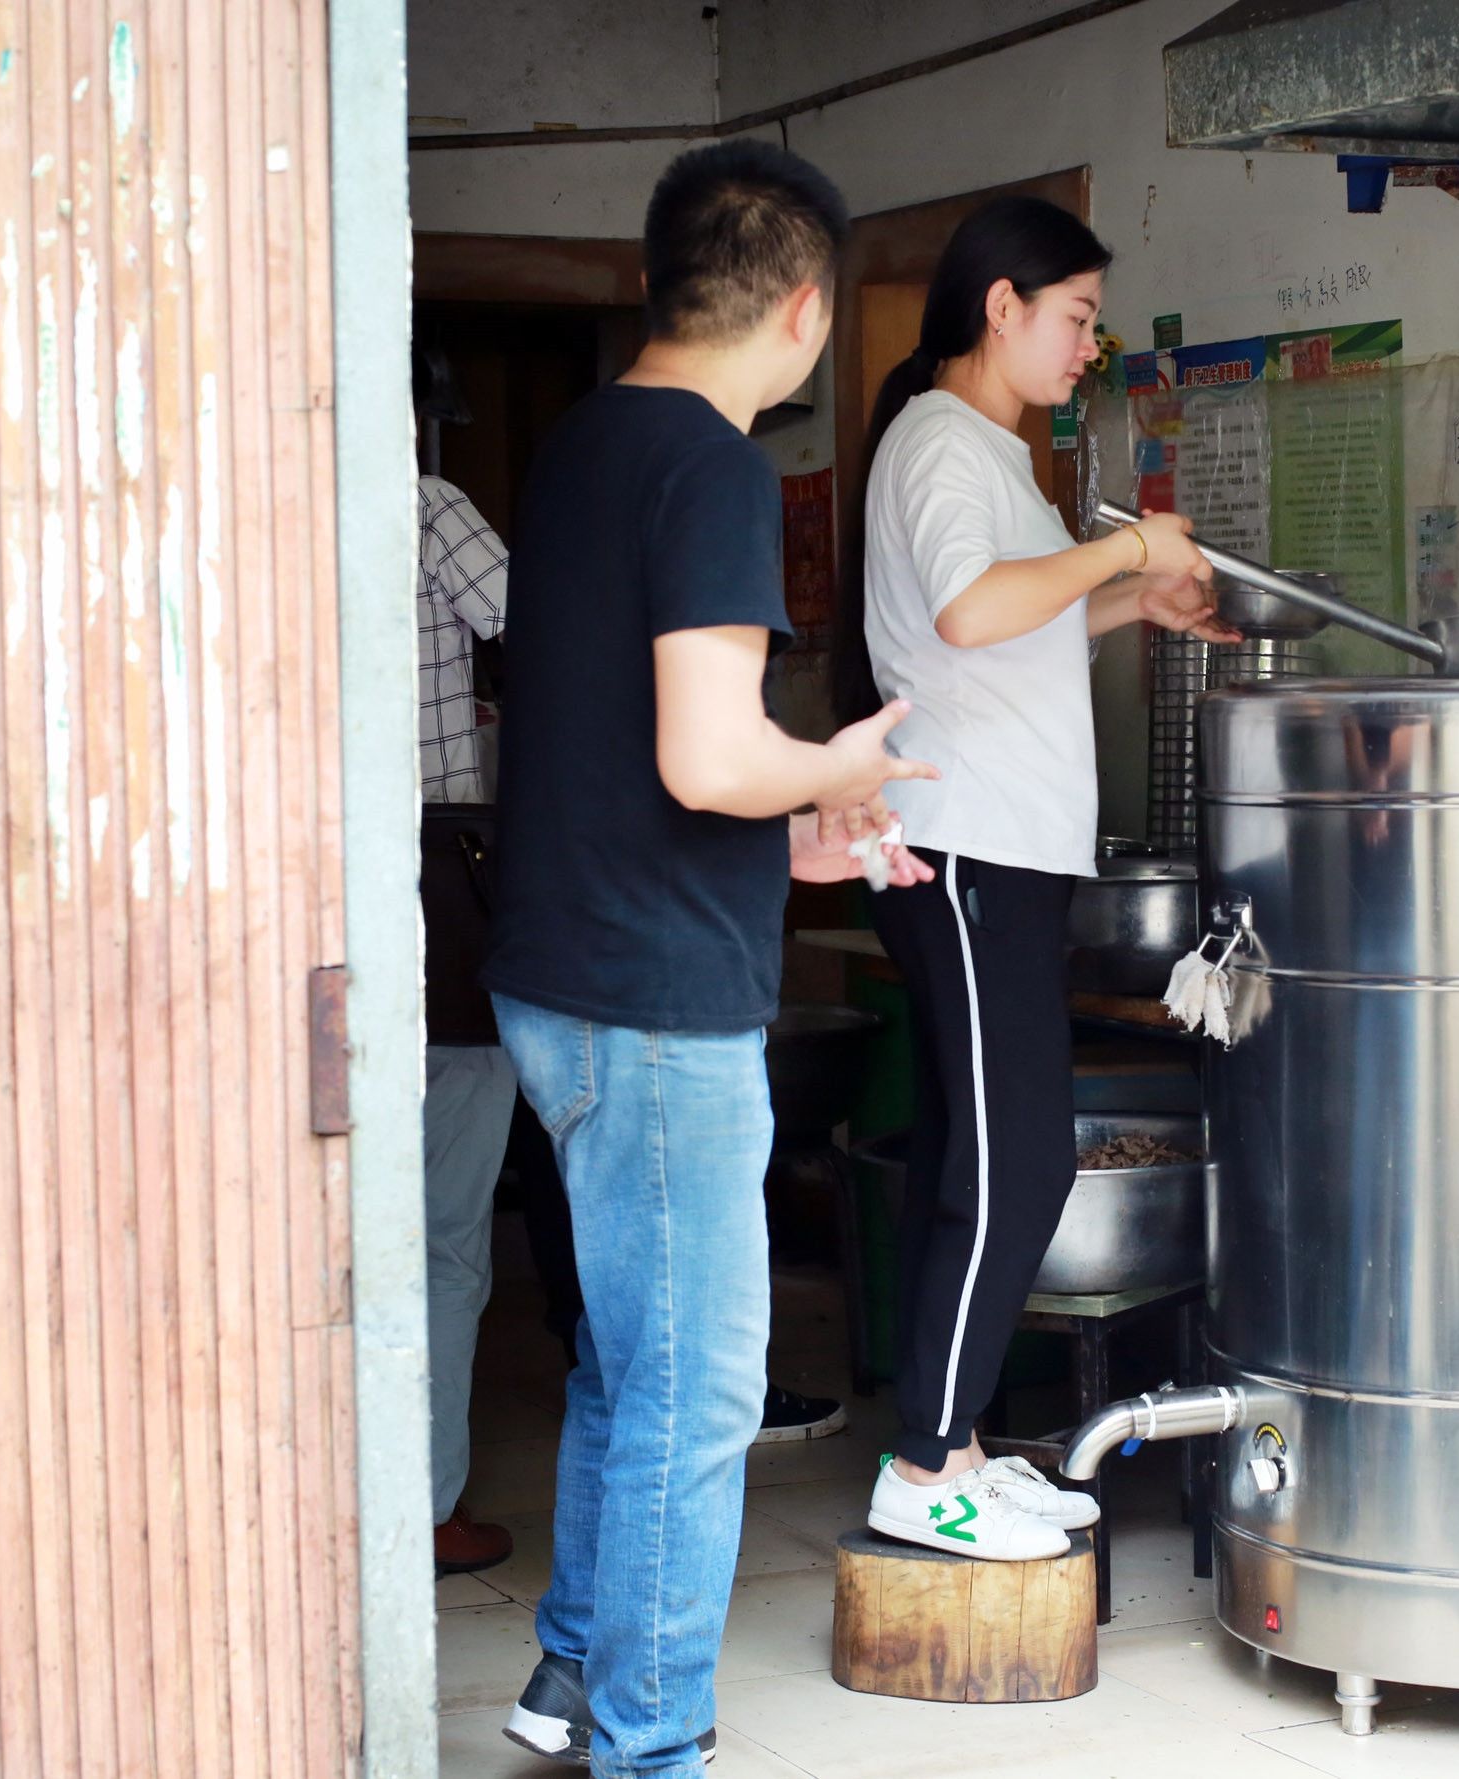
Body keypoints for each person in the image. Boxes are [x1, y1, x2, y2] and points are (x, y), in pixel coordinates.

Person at [484, 140, 934, 1774]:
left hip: (563, 970)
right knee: (694, 1392)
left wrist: (794, 830)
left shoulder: (585, 444)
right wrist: (840, 762)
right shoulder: (719, 465)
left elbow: (637, 755)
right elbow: (705, 752)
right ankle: (651, 1744)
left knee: (624, 1350)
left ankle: (565, 1677)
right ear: (807, 309)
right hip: (652, 1002)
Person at [835, 195, 1232, 1562]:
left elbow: (1002, 624)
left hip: (1001, 854)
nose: (1087, 345)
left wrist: (1127, 598)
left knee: (975, 1149)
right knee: (1016, 1166)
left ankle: (952, 1443)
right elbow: (967, 610)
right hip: (970, 853)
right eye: (1075, 317)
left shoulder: (986, 453)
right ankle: (925, 1459)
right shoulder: (943, 442)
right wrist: (1128, 546)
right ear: (999, 306)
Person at [411, 345, 521, 1576]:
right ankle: (423, 1509)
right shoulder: (429, 508)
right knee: (442, 1230)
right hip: (438, 884)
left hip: (291, 890)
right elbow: (547, 631)